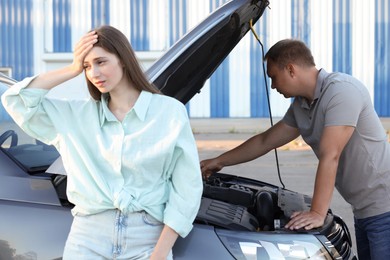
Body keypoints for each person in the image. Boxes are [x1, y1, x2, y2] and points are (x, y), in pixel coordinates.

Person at [1, 25, 203, 260]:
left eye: (101, 62)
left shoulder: (169, 113)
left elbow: (187, 188)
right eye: (87, 66)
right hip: (87, 240)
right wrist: (71, 68)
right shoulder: (74, 116)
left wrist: (159, 254)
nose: (93, 73)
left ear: (124, 60)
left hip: (148, 239)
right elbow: (17, 100)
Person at [200, 39, 390, 259]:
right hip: (364, 208)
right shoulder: (301, 105)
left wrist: (317, 213)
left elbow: (331, 155)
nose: (272, 85)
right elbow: (266, 141)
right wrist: (219, 161)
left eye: (273, 77)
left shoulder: (342, 92)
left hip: (384, 207)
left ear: (290, 69)